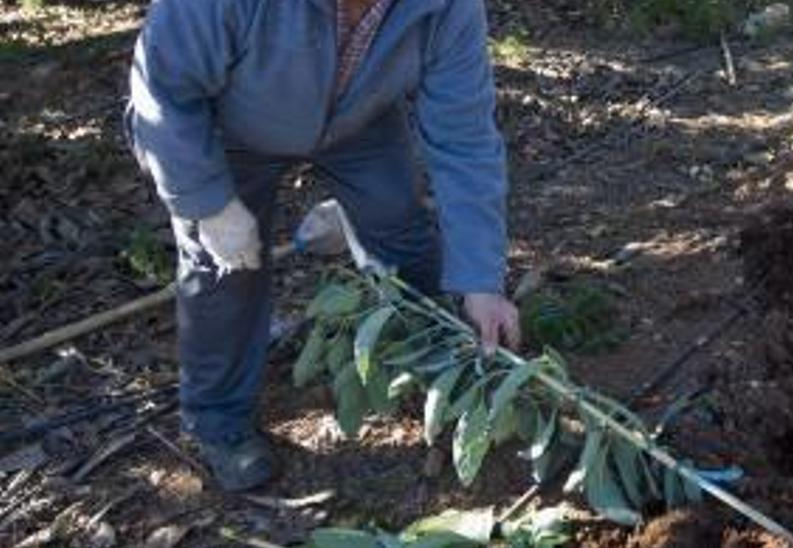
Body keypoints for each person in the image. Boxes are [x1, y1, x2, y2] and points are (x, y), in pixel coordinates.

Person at [125, 0, 520, 491]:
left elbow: (465, 141)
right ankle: (218, 420)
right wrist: (208, 206)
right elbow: (162, 94)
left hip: (359, 120)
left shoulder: (447, 8)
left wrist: (481, 279)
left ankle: (437, 359)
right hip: (226, 127)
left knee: (399, 226)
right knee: (224, 270)